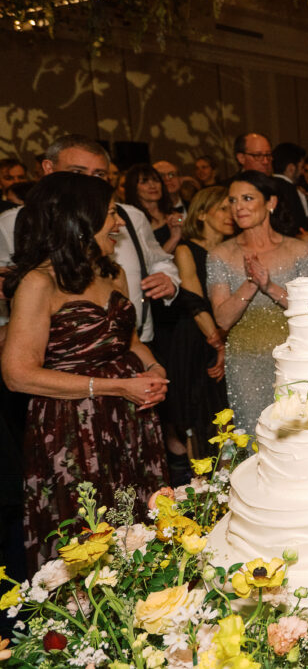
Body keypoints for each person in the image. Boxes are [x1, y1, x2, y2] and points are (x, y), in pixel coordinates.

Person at [2, 172, 169, 566]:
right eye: (111, 212)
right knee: (87, 536)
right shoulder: (38, 282)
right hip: (73, 427)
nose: (118, 223)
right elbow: (18, 374)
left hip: (130, 421)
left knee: (139, 529)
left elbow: (126, 341)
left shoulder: (114, 273)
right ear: (80, 216)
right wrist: (115, 388)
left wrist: (155, 367)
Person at [0, 135, 181, 346]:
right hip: (59, 355)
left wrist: (169, 279)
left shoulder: (130, 217)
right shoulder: (13, 223)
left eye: (99, 174)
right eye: (77, 172)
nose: (89, 181)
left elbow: (160, 260)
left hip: (137, 342)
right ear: (48, 168)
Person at [208, 171, 308, 435]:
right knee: (257, 436)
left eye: (247, 198)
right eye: (232, 201)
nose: (238, 207)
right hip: (246, 361)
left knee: (300, 436)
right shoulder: (220, 255)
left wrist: (270, 286)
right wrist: (252, 282)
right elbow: (222, 319)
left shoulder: (299, 250)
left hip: (294, 358)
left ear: (270, 203)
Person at [164, 186, 232, 459]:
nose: (231, 215)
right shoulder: (186, 249)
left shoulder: (233, 248)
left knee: (229, 414)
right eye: (223, 208)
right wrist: (217, 342)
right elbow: (194, 300)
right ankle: (203, 489)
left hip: (228, 335)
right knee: (200, 416)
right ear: (202, 213)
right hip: (198, 336)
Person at [124, 163, 183, 253]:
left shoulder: (172, 213)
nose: (152, 186)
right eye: (144, 182)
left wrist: (183, 226)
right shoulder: (133, 222)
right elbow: (150, 263)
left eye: (156, 180)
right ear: (133, 188)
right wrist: (174, 239)